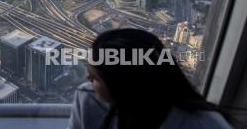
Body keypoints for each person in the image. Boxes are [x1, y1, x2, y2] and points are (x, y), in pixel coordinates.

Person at [68, 28, 232, 129]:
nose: (87, 78)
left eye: (96, 77)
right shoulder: (88, 99)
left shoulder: (202, 125)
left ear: (125, 86)